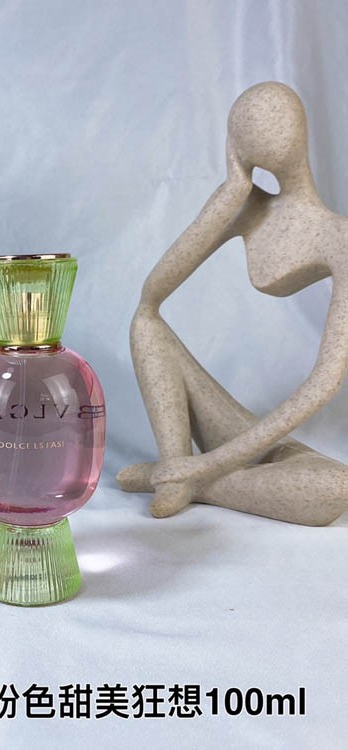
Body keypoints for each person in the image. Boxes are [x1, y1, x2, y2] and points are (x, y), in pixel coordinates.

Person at [117, 81, 348, 526]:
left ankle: (180, 479)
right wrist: (232, 189)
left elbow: (324, 384)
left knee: (334, 488)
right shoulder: (243, 206)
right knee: (144, 323)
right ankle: (175, 467)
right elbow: (151, 296)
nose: (263, 137)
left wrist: (208, 464)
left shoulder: (340, 237)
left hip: (259, 441)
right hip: (231, 429)